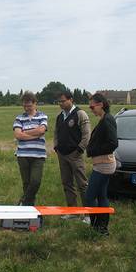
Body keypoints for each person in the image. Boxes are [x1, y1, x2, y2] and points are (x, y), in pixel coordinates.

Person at [54, 92, 91, 222]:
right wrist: (56, 147)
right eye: (59, 101)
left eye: (63, 101)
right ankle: (73, 212)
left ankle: (88, 214)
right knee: (67, 183)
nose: (60, 104)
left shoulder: (80, 114)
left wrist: (79, 150)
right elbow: (56, 134)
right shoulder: (60, 117)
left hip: (75, 155)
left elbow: (86, 135)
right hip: (62, 155)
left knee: (82, 184)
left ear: (71, 100)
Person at [85, 93, 118, 235]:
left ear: (101, 105)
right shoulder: (105, 119)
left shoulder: (107, 120)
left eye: (92, 106)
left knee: (89, 196)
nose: (91, 109)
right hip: (103, 163)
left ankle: (97, 227)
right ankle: (101, 228)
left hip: (104, 165)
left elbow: (113, 143)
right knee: (101, 195)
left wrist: (93, 151)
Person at [13, 91, 48, 206]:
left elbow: (42, 130)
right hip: (22, 155)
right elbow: (17, 135)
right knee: (26, 183)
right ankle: (28, 208)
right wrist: (35, 133)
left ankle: (24, 201)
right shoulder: (19, 118)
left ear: (35, 104)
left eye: (29, 105)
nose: (27, 108)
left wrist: (24, 133)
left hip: (38, 155)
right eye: (24, 105)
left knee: (35, 181)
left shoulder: (42, 116)